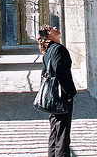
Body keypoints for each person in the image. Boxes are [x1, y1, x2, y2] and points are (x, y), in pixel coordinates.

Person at [37, 24, 77, 157]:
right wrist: (70, 92)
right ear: (48, 35)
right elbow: (61, 73)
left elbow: (44, 73)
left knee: (55, 130)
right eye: (50, 29)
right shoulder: (58, 49)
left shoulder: (48, 51)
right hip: (61, 95)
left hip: (52, 95)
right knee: (63, 134)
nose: (55, 27)